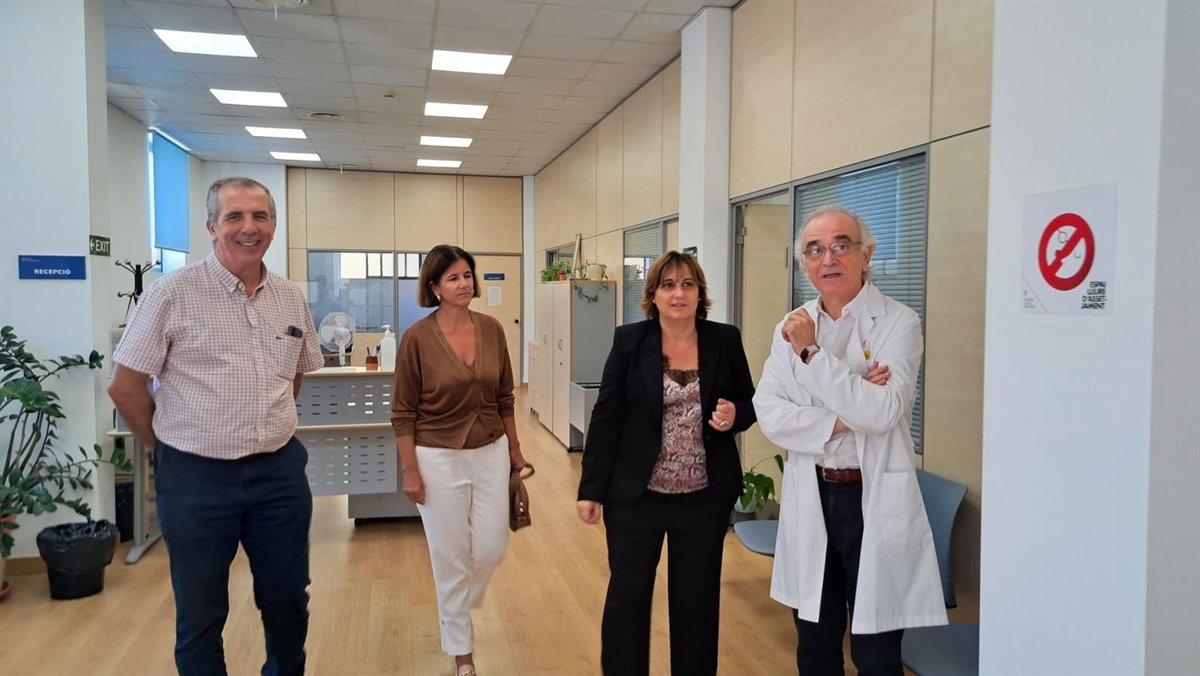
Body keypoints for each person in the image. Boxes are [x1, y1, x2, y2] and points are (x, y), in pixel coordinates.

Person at [108, 176, 324, 676]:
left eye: (260, 216)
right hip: (196, 477)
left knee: (289, 601)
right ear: (211, 226)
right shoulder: (170, 293)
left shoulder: (290, 297)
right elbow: (125, 387)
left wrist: (264, 422)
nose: (249, 227)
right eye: (234, 216)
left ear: (273, 226)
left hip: (278, 475)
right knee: (201, 612)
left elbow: (293, 375)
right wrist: (164, 449)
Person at [753, 207, 946, 675]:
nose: (828, 258)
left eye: (841, 245)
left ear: (866, 255)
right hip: (813, 491)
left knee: (876, 651)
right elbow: (770, 414)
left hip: (871, 496)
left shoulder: (899, 322)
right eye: (814, 250)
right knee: (815, 642)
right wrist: (848, 411)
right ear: (804, 264)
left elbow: (883, 413)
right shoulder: (790, 325)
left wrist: (812, 354)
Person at [577, 251, 757, 676]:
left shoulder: (724, 339)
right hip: (636, 497)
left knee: (697, 604)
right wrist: (591, 489)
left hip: (703, 499)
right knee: (627, 599)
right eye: (668, 285)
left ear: (700, 293)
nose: (679, 294)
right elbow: (606, 416)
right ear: (653, 295)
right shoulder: (630, 340)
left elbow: (750, 401)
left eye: (688, 284)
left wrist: (736, 414)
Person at [390, 244, 527, 676]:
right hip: (436, 457)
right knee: (449, 556)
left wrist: (515, 449)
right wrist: (410, 471)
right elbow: (402, 412)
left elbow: (504, 396)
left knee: (491, 547)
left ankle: (455, 605)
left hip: (490, 451)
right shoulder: (417, 339)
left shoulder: (492, 329)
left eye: (468, 275)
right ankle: (462, 652)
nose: (464, 283)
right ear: (434, 287)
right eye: (453, 278)